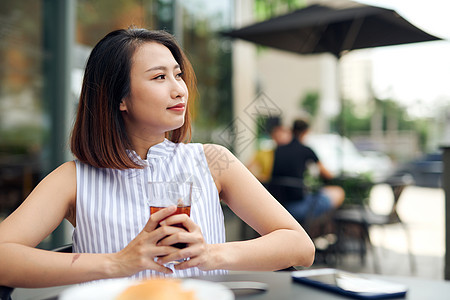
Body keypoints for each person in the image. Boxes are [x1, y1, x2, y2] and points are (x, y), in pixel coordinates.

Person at [0, 28, 314, 288]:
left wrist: (212, 254)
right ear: (120, 98)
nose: (179, 90)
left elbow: (300, 247)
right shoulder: (74, 178)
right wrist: (116, 263)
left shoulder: (213, 161)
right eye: (159, 78)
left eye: (177, 75)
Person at [271, 119, 345, 222]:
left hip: (277, 205)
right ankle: (318, 232)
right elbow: (327, 174)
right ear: (306, 132)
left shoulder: (278, 150)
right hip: (297, 207)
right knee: (338, 192)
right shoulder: (306, 150)